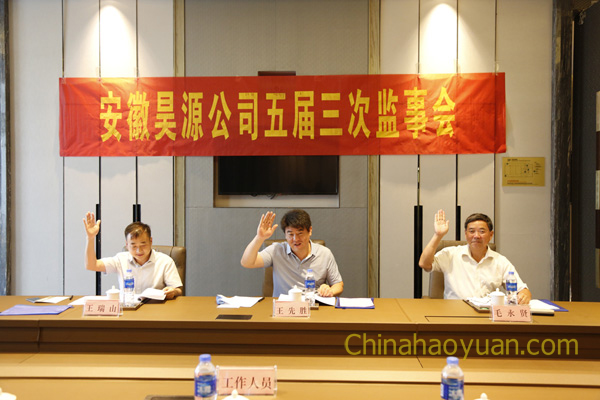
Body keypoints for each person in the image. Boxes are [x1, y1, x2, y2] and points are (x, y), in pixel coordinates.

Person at [419, 209, 532, 304]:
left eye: (482, 231)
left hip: (486, 315)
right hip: (455, 314)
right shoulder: (451, 254)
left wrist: (524, 295)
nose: (476, 236)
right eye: (471, 231)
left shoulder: (500, 261)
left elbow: (522, 290)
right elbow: (424, 264)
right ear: (466, 234)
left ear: (491, 235)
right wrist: (438, 235)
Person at [241, 209, 344, 298]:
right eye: (290, 234)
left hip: (312, 305)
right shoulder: (276, 250)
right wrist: (259, 238)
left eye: (300, 233)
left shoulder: (325, 253)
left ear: (310, 231)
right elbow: (247, 263)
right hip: (283, 308)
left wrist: (329, 291)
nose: (295, 239)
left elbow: (338, 284)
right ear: (285, 235)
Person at [83, 212, 183, 299]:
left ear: (151, 241)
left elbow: (178, 290)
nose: (139, 250)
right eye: (133, 246)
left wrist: (173, 291)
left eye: (143, 245)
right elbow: (91, 265)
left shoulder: (165, 261)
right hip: (128, 307)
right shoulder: (120, 259)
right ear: (127, 244)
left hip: (155, 308)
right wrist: (90, 238)